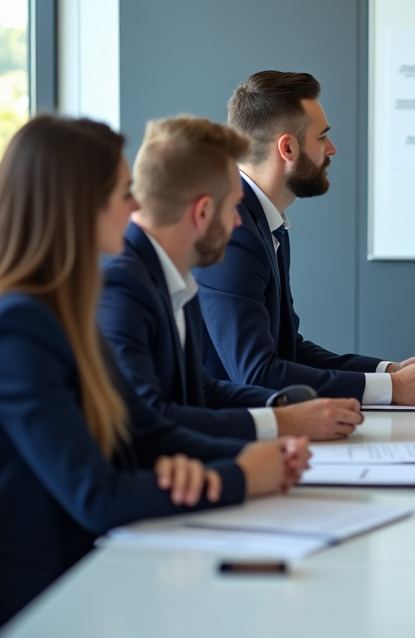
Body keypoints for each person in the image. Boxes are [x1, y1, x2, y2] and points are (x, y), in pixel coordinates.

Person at [0, 117, 310, 626]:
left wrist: (258, 457)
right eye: (123, 192)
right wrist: (237, 476)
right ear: (77, 205)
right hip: (45, 600)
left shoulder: (68, 311)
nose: (136, 206)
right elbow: (96, 495)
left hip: (100, 574)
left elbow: (142, 431)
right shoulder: (21, 328)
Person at [196, 71, 415, 404]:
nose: (332, 148)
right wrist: (395, 390)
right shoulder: (233, 230)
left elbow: (288, 350)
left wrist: (392, 372)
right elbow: (258, 374)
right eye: (322, 137)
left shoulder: (262, 220)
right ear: (288, 147)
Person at [99, 115, 365, 442]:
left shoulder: (168, 278)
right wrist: (279, 427)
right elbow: (150, 418)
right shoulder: (121, 287)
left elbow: (200, 390)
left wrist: (285, 408)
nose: (238, 224)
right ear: (202, 212)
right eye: (232, 209)